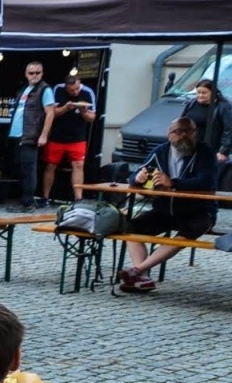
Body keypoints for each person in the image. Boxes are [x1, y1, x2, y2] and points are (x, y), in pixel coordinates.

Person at [118, 117, 221, 293]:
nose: (184, 135)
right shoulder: (160, 152)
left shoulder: (204, 152)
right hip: (165, 210)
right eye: (178, 132)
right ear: (169, 135)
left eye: (189, 131)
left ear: (195, 133)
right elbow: (134, 175)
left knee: (186, 233)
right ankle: (142, 278)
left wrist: (173, 182)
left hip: (199, 211)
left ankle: (137, 271)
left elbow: (206, 181)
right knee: (131, 228)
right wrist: (138, 178)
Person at [41, 71, 97, 202]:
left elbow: (92, 118)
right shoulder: (58, 89)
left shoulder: (88, 92)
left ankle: (78, 198)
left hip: (77, 137)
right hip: (57, 136)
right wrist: (66, 107)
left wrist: (84, 112)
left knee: (78, 166)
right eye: (72, 90)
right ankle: (45, 197)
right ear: (66, 87)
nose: (76, 92)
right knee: (50, 165)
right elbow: (52, 113)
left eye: (77, 89)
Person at [7, 61, 54, 208]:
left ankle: (27, 202)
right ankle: (22, 198)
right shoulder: (25, 89)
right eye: (31, 73)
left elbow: (50, 112)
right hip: (18, 133)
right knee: (21, 167)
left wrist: (43, 134)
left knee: (29, 168)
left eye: (37, 73)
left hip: (30, 134)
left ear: (42, 73)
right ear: (26, 74)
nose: (34, 75)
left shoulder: (44, 89)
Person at [183, 79, 232, 164]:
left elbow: (229, 130)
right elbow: (181, 122)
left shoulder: (222, 107)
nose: (200, 95)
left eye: (204, 93)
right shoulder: (192, 104)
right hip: (189, 149)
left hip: (210, 150)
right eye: (198, 92)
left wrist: (223, 151)